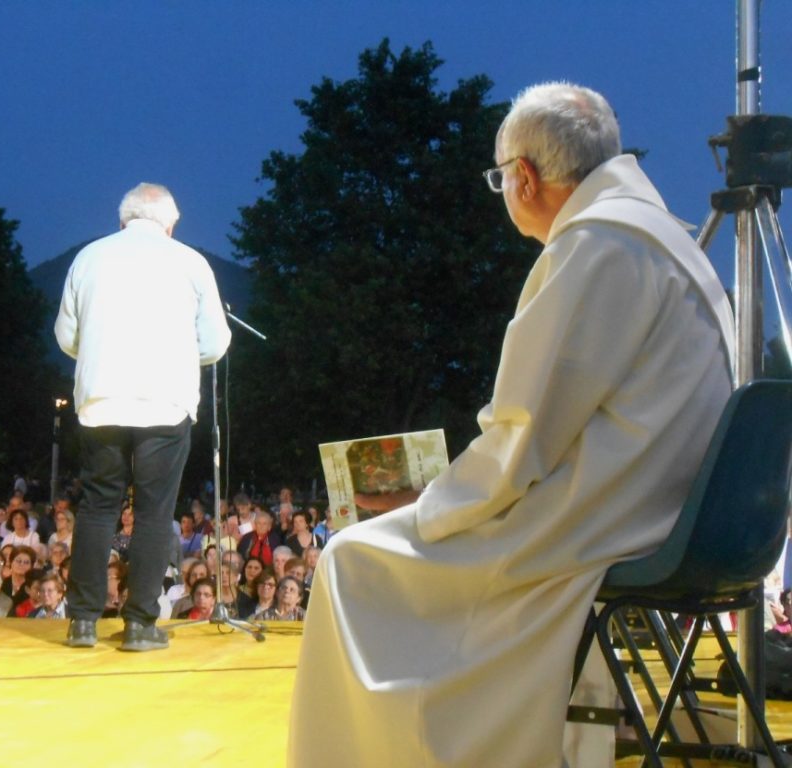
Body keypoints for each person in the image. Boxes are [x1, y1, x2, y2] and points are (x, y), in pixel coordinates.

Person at [288, 82, 735, 768]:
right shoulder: (664, 238)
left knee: (350, 560)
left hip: (608, 518)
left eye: (500, 178)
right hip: (671, 510)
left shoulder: (596, 245)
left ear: (522, 177)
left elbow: (522, 436)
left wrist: (428, 502)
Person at [54, 181, 231, 651]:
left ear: (123, 220)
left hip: (102, 402)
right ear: (170, 224)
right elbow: (215, 343)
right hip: (164, 402)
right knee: (154, 513)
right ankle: (138, 624)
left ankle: (83, 623)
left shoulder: (89, 257)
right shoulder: (191, 263)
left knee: (97, 507)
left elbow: (66, 336)